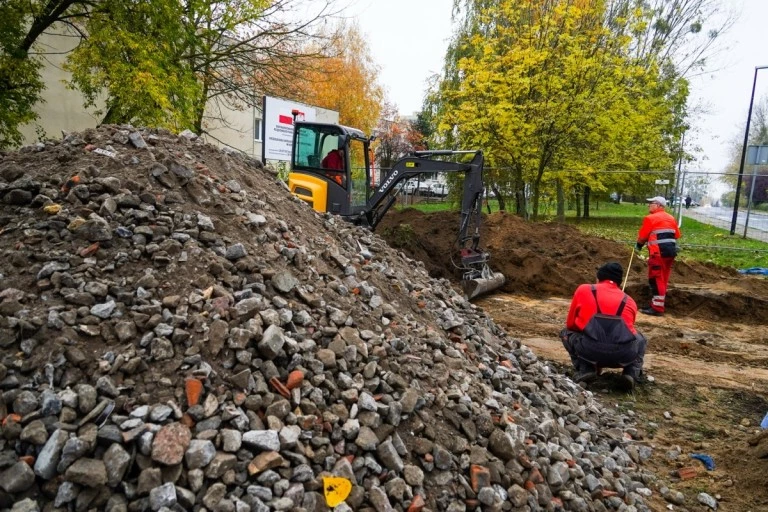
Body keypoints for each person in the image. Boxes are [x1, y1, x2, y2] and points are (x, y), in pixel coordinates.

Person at [560, 262, 647, 390]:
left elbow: (571, 325)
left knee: (566, 333)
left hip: (589, 351)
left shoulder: (583, 290)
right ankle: (631, 373)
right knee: (641, 339)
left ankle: (585, 369)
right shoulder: (630, 301)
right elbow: (628, 333)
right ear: (619, 283)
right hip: (622, 355)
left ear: (599, 277)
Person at [635, 196, 681, 316]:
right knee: (663, 278)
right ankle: (657, 303)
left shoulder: (650, 218)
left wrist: (638, 246)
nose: (649, 205)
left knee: (656, 279)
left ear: (659, 205)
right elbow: (676, 235)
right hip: (670, 253)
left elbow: (642, 237)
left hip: (658, 254)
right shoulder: (671, 218)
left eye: (652, 203)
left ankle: (657, 308)